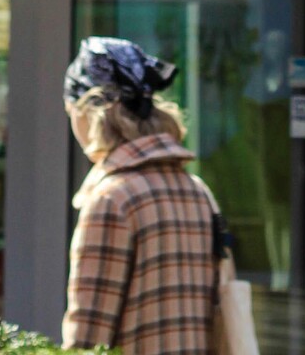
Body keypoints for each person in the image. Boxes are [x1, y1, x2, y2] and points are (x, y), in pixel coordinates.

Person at [61, 37, 218, 355]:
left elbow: (88, 336)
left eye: (70, 110)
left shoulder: (112, 199)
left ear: (86, 111)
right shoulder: (195, 190)